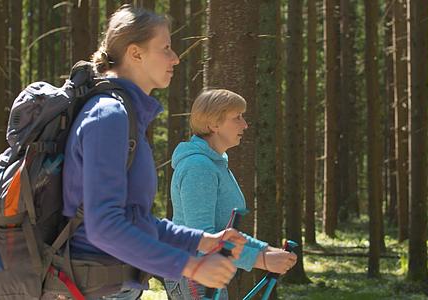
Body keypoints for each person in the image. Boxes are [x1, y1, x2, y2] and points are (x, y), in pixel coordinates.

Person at [53, 6, 246, 300]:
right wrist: (190, 266)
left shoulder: (125, 117)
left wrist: (203, 241)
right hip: (89, 287)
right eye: (166, 48)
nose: (175, 58)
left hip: (107, 284)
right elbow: (103, 226)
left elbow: (136, 219)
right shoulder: (110, 116)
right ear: (136, 53)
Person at [164, 89, 297, 300]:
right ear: (214, 124)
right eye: (237, 118)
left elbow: (225, 231)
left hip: (206, 272)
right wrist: (261, 260)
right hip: (194, 272)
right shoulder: (199, 167)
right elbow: (202, 237)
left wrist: (267, 250)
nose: (245, 125)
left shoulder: (214, 163)